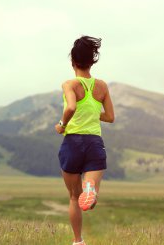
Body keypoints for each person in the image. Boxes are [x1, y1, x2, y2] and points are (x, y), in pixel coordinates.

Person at [55, 35, 114, 245]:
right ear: (92, 61)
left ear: (73, 61)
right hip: (94, 143)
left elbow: (70, 107)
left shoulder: (69, 84)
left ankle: (78, 241)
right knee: (89, 189)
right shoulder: (102, 86)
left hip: (72, 143)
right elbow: (110, 117)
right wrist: (91, 113)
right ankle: (90, 188)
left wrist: (61, 124)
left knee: (73, 197)